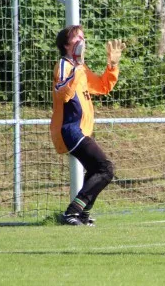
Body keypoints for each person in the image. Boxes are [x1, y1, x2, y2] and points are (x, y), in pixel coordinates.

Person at [50, 25, 126, 226]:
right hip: (69, 129)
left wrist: (112, 65)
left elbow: (102, 86)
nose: (82, 41)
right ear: (66, 45)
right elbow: (62, 93)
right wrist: (76, 68)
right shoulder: (64, 65)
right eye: (77, 38)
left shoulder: (81, 68)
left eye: (83, 37)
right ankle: (71, 213)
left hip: (81, 131)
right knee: (105, 168)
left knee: (96, 170)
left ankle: (81, 215)